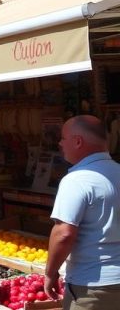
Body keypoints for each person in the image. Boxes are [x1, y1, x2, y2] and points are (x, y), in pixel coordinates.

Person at [44, 115, 120, 309]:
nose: (60, 143)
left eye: (63, 138)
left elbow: (64, 233)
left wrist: (50, 273)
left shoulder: (77, 179)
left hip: (93, 285)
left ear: (78, 141)